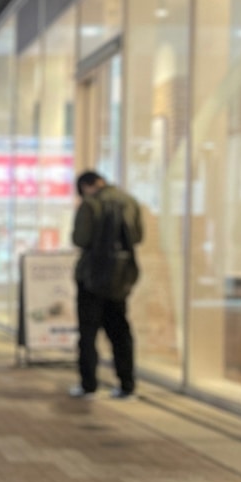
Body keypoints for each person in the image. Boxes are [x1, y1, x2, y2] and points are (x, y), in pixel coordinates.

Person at [70, 169, 143, 399]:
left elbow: (80, 239)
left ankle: (89, 385)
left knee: (88, 333)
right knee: (120, 331)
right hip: (119, 277)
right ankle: (126, 385)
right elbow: (137, 237)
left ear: (86, 187)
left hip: (91, 276)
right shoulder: (130, 202)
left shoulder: (90, 204)